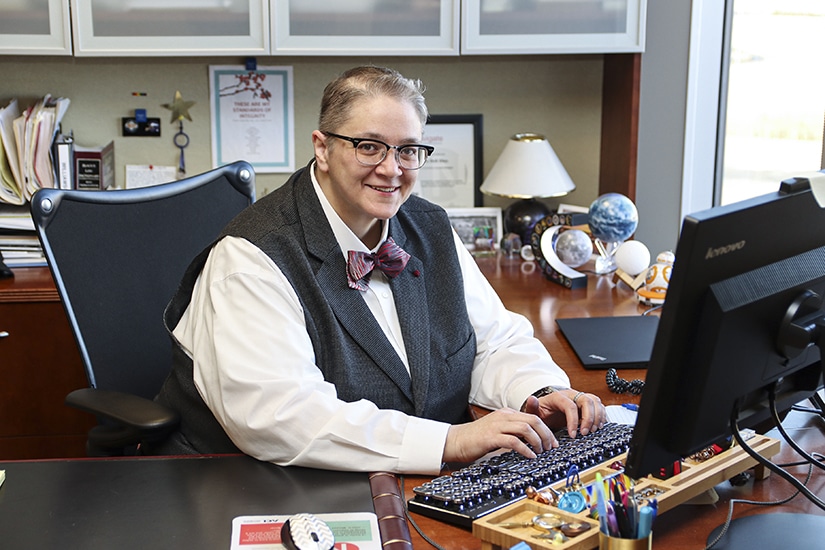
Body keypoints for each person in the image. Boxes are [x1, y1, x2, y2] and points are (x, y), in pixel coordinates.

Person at [155, 65, 606, 474]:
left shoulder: (428, 227)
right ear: (323, 148)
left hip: (402, 481)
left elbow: (494, 340)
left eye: (408, 150)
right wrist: (450, 440)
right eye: (369, 146)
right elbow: (281, 416)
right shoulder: (252, 257)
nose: (391, 170)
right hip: (247, 484)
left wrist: (541, 391)